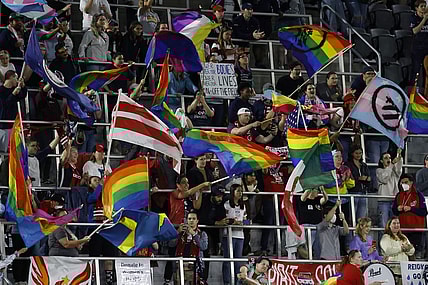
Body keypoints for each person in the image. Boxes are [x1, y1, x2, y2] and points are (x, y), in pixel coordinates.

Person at [392, 173, 427, 259]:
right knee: (404, 255)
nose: (404, 184)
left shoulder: (419, 195)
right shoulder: (399, 195)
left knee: (415, 254)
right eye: (402, 182)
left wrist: (411, 209)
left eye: (406, 182)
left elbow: (424, 212)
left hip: (416, 229)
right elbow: (394, 211)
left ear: (411, 183)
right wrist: (398, 209)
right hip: (403, 230)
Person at [197, 185, 227, 280]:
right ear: (212, 196)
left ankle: (204, 280)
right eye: (218, 196)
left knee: (207, 257)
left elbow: (221, 217)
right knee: (204, 255)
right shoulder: (205, 202)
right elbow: (201, 218)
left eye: (221, 197)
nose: (220, 199)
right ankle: (201, 279)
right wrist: (216, 222)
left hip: (213, 233)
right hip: (201, 232)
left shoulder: (220, 204)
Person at [223, 181, 247, 285]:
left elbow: (245, 219)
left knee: (238, 260)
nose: (240, 193)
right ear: (232, 192)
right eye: (238, 191)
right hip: (229, 235)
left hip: (240, 235)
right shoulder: (227, 205)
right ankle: (227, 282)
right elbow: (224, 219)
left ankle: (238, 282)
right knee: (228, 260)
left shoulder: (243, 206)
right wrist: (233, 221)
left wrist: (245, 222)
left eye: (241, 191)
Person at [175, 211, 208, 285]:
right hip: (180, 264)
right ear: (187, 220)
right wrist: (177, 233)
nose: (191, 221)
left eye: (193, 219)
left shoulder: (202, 233)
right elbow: (171, 244)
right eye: (189, 219)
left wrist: (194, 234)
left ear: (197, 221)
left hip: (196, 265)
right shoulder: (181, 232)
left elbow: (204, 247)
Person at [376, 150, 403, 229]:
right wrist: (391, 165)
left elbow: (399, 168)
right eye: (386, 158)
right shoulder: (379, 171)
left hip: (394, 201)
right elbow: (384, 178)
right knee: (383, 226)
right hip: (383, 201)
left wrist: (399, 155)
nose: (388, 159)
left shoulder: (394, 171)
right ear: (381, 161)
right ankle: (382, 241)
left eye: (390, 158)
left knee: (394, 226)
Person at [346, 144, 371, 221]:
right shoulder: (348, 164)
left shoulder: (364, 165)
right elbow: (348, 178)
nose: (358, 155)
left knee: (361, 218)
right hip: (353, 192)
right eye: (356, 153)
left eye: (360, 153)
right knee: (352, 217)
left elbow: (369, 178)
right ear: (352, 153)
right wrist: (359, 178)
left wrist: (367, 178)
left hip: (363, 192)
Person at [410, 0, 428, 83]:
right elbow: (415, 31)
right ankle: (413, 90)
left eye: (425, 6)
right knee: (416, 70)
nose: (424, 8)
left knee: (426, 72)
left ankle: (425, 92)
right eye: (422, 6)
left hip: (426, 48)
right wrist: (424, 20)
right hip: (417, 48)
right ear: (417, 8)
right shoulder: (413, 17)